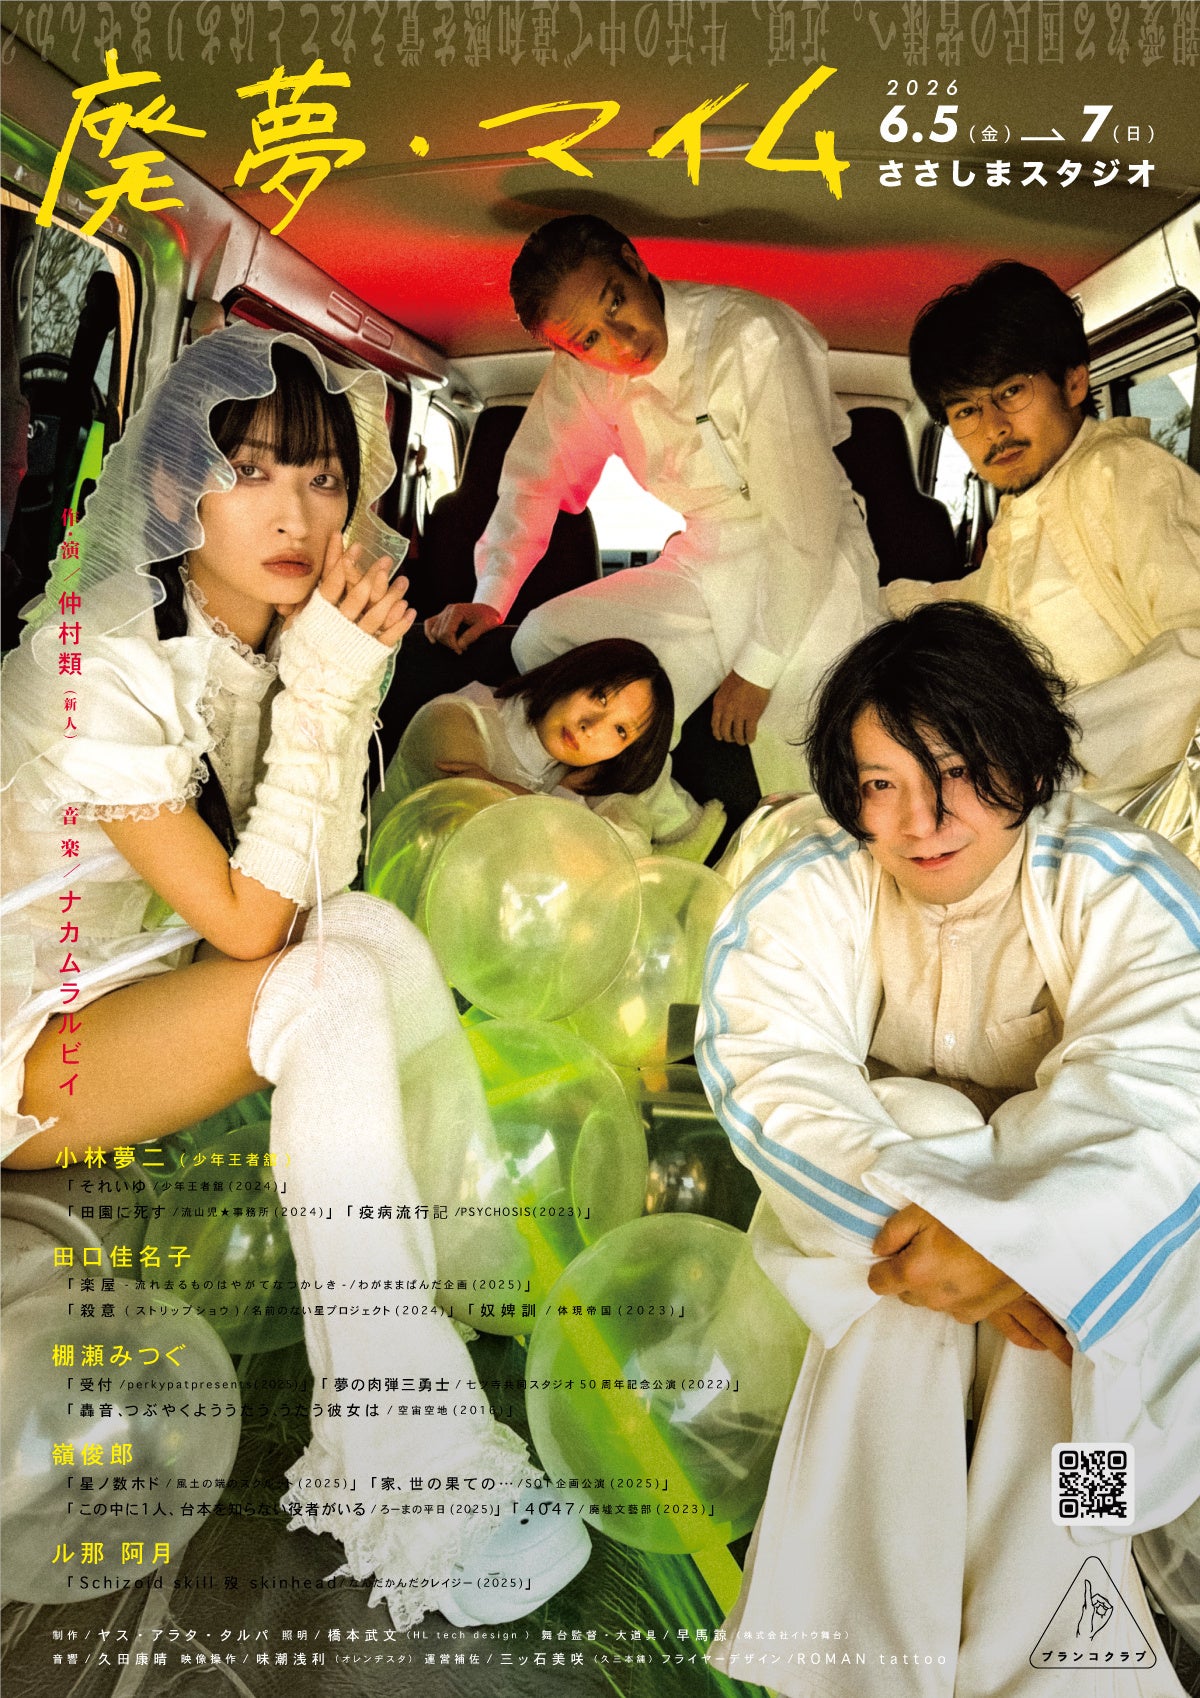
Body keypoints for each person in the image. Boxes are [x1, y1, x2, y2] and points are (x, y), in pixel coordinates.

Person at [0, 323, 589, 1629]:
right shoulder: (101, 655)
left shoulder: (267, 639)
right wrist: (328, 694)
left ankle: (459, 1290)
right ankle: (410, 1483)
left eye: (323, 479)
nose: (297, 514)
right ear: (173, 489)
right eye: (250, 472)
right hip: (21, 1039)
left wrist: (330, 684)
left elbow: (317, 890)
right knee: (326, 987)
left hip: (119, 995)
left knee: (371, 936)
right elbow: (248, 929)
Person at [696, 602, 1199, 1698]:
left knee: (1085, 1297)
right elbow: (766, 1066)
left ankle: (1076, 1648)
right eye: (883, 782)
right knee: (922, 1142)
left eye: (959, 772)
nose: (922, 821)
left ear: (1028, 759)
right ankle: (858, 1649)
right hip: (882, 1253)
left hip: (1098, 1281)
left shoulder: (1121, 880)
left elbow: (1170, 1090)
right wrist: (958, 1233)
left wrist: (1026, 1247)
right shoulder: (815, 878)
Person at [423, 214, 879, 795]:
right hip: (705, 556)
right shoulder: (581, 375)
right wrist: (492, 596)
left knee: (804, 748)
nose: (621, 341)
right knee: (543, 638)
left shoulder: (753, 336)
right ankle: (561, 810)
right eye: (588, 339)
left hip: (813, 556)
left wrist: (757, 670)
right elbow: (533, 481)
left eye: (616, 302)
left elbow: (804, 522)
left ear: (633, 262)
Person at [891, 260, 1200, 810]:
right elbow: (985, 602)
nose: (993, 427)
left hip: (1136, 814)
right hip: (1043, 809)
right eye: (966, 410)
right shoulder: (1021, 509)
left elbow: (1195, 642)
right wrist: (880, 605)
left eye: (1011, 391)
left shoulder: (1123, 473)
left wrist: (1044, 754)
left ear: (1074, 382)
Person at [378, 636, 725, 858]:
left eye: (620, 730)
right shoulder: (456, 719)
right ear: (573, 675)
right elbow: (480, 836)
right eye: (599, 696)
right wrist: (572, 814)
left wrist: (562, 792)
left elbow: (628, 852)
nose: (592, 727)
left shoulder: (583, 770)